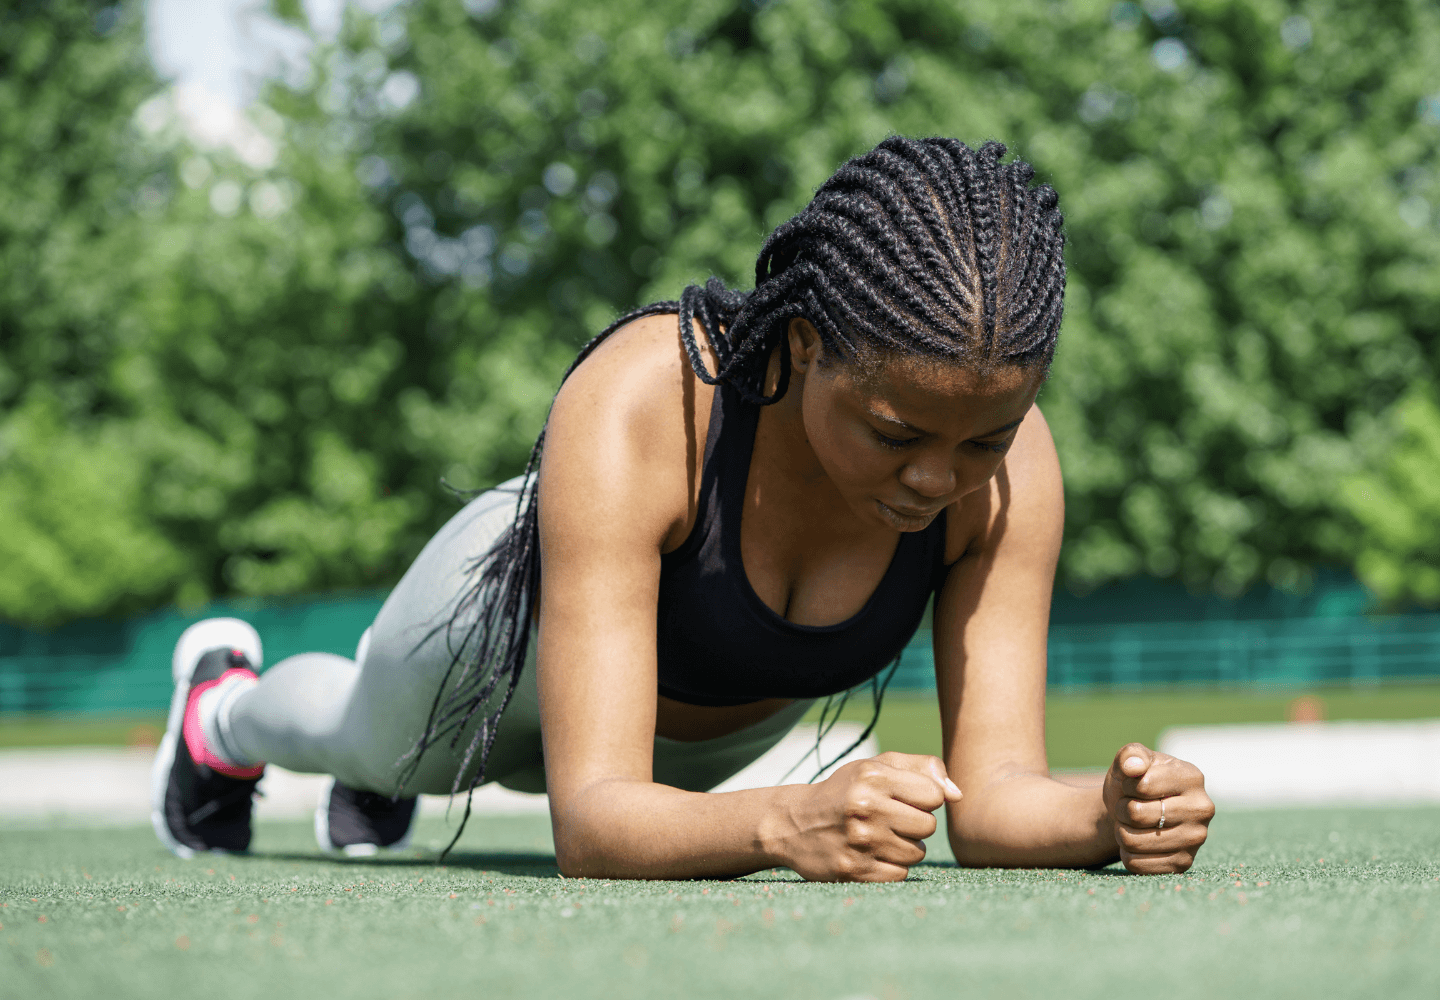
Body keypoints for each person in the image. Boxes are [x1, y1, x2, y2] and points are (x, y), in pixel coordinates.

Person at [152, 137, 1215, 880]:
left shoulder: (1015, 475)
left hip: (698, 751)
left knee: (504, 775)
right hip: (495, 640)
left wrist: (1106, 814)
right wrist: (787, 820)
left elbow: (994, 800)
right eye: (896, 434)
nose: (941, 480)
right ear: (804, 350)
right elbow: (594, 825)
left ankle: (382, 775)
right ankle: (220, 715)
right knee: (364, 735)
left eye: (981, 439)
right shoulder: (645, 400)